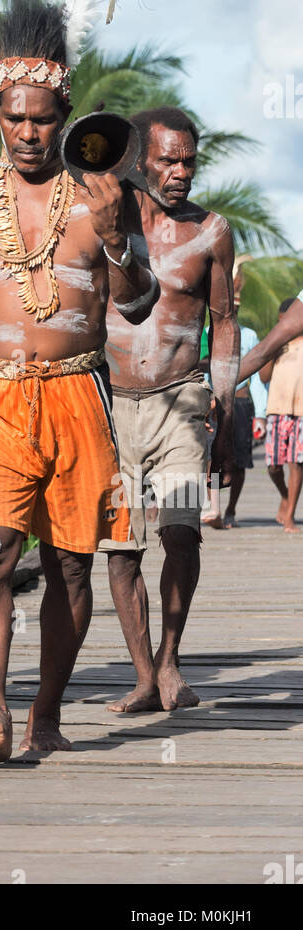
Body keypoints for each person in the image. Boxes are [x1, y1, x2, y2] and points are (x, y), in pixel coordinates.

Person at [0, 0, 157, 763]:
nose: (27, 133)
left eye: (42, 119)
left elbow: (141, 302)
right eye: (14, 118)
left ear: (64, 114)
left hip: (78, 393)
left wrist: (117, 235)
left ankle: (44, 714)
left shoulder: (103, 199)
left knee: (70, 566)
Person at [100, 107, 239, 715]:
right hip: (110, 407)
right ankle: (142, 675)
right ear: (138, 159)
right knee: (121, 546)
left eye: (189, 161)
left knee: (181, 534)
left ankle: (171, 661)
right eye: (168, 160)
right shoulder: (103, 223)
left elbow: (225, 322)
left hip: (181, 401)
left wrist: (226, 407)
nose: (181, 172)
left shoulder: (210, 232)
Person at [200, 260, 268, 529]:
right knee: (209, 457)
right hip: (212, 403)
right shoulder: (207, 333)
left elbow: (256, 382)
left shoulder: (249, 335)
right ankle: (212, 506)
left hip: (240, 404)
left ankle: (230, 510)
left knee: (239, 460)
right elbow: (203, 372)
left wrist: (261, 415)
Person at [259, 298, 303, 534]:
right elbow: (264, 377)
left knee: (296, 464)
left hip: (301, 412)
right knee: (274, 466)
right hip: (277, 410)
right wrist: (273, 351)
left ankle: (290, 516)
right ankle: (285, 496)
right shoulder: (278, 345)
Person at [238, 289, 303, 381]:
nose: (281, 325)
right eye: (279, 321)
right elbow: (264, 378)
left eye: (284, 321)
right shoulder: (278, 345)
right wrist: (274, 354)